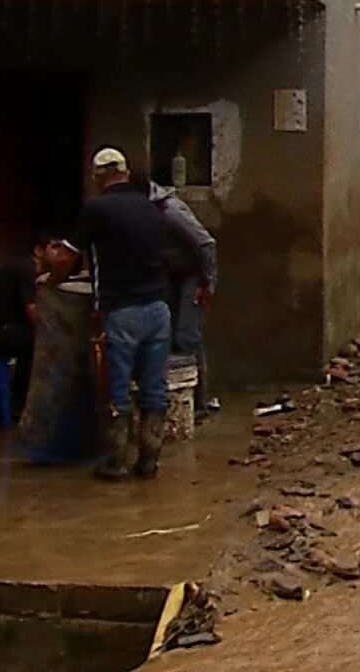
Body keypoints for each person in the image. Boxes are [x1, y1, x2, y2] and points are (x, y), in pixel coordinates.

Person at [60, 147, 173, 481]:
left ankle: (117, 461)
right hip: (158, 308)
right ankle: (150, 458)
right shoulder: (152, 208)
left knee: (118, 389)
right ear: (125, 171)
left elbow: (69, 254)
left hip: (122, 310)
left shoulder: (97, 210)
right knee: (154, 387)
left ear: (99, 176)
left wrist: (52, 280)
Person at [0, 231, 63, 415]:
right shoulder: (27, 270)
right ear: (39, 251)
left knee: (30, 339)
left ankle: (11, 401)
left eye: (63, 248)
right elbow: (32, 312)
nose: (60, 253)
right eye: (55, 247)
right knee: (36, 342)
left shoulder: (30, 270)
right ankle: (17, 405)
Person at [142, 178, 218, 416]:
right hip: (170, 275)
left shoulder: (170, 210)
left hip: (192, 276)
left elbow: (205, 244)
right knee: (166, 335)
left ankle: (200, 403)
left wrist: (207, 283)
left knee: (187, 336)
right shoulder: (147, 213)